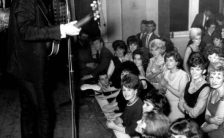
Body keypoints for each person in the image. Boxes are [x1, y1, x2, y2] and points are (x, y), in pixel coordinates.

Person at [7, 0, 81, 138]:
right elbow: (26, 30)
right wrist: (60, 29)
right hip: (29, 67)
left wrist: (58, 30)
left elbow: (38, 26)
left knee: (29, 112)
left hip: (25, 65)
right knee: (44, 113)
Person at [106, 73, 143, 137]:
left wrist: (114, 127)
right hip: (126, 128)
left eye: (129, 90)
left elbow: (133, 130)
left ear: (135, 91)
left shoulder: (139, 106)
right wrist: (119, 119)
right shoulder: (131, 100)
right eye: (124, 90)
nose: (126, 93)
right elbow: (126, 114)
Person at [179, 52, 210, 126]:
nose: (194, 72)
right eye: (192, 69)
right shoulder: (188, 83)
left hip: (198, 125)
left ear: (204, 71)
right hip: (187, 122)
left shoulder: (205, 88)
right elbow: (179, 104)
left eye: (198, 69)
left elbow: (195, 114)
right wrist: (188, 111)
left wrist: (185, 106)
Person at [160, 51, 189, 122]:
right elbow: (164, 90)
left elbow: (181, 95)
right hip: (166, 106)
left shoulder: (183, 75)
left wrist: (166, 85)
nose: (167, 63)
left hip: (178, 107)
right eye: (166, 60)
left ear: (177, 62)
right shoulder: (166, 73)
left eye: (171, 60)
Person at [201, 65, 224, 138]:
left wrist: (202, 128)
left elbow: (216, 124)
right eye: (212, 77)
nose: (214, 80)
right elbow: (206, 115)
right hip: (211, 134)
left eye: (218, 77)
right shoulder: (212, 91)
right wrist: (210, 120)